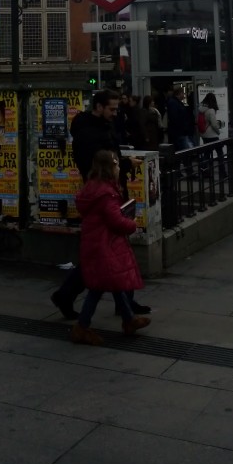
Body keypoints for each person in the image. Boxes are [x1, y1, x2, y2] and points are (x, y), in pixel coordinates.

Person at [51, 89, 150, 319]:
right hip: (102, 197)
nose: (115, 113)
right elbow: (97, 166)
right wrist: (125, 164)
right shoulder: (88, 133)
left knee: (112, 253)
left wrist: (123, 164)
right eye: (111, 109)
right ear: (98, 107)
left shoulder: (102, 126)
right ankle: (68, 296)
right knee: (103, 255)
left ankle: (124, 302)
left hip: (110, 192)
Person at [71, 150, 152, 345]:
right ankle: (82, 327)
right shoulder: (106, 193)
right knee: (98, 288)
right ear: (110, 168)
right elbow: (115, 220)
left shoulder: (93, 186)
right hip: (104, 245)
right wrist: (132, 223)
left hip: (97, 243)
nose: (119, 169)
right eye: (117, 165)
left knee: (113, 282)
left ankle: (129, 319)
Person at [199, 92, 226, 179]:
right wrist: (218, 132)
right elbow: (214, 124)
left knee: (207, 153)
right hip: (212, 135)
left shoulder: (201, 109)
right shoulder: (211, 110)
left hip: (204, 134)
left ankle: (204, 170)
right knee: (220, 153)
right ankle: (222, 172)